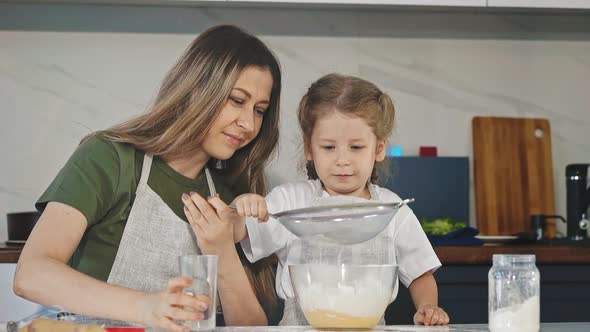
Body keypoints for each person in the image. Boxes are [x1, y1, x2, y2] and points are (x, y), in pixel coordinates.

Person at [14, 25, 282, 331]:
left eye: (260, 110)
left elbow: (250, 327)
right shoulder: (109, 158)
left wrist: (222, 250)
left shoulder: (230, 193)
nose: (248, 123)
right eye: (236, 100)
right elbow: (31, 274)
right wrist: (146, 306)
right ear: (197, 88)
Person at [230, 73, 450, 326]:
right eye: (328, 147)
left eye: (356, 147)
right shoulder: (291, 201)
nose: (342, 160)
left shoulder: (391, 210)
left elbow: (420, 273)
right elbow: (237, 230)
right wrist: (241, 207)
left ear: (378, 149)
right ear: (309, 148)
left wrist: (428, 307)